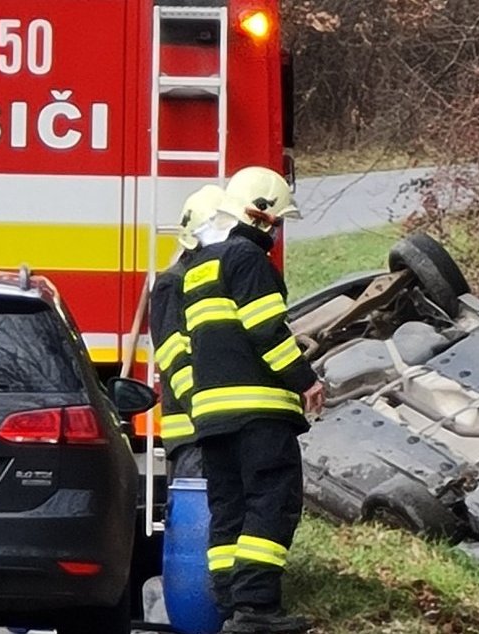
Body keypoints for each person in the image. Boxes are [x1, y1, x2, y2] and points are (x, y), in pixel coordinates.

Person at [181, 166, 324, 634]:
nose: (279, 232)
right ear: (261, 215)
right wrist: (305, 379)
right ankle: (257, 608)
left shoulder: (199, 268)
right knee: (272, 499)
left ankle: (229, 607)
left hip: (213, 417)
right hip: (258, 413)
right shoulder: (249, 260)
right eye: (278, 221)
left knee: (230, 508)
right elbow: (266, 329)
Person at [149, 184, 226, 478]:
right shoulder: (173, 283)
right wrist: (207, 414)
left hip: (217, 430)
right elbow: (174, 357)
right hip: (193, 435)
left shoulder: (209, 280)